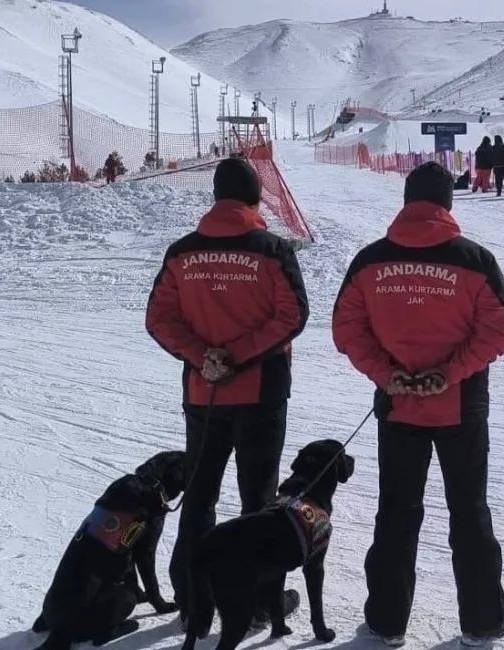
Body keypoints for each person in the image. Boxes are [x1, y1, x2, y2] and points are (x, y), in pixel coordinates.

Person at [331, 161, 504, 648]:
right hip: (461, 405)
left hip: (399, 405)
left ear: (407, 202)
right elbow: (496, 332)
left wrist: (389, 374)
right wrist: (448, 374)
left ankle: (386, 622)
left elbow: (348, 330)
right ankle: (482, 621)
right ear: (447, 204)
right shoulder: (475, 260)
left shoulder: (371, 261)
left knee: (396, 510)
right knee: (468, 509)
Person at [144, 157, 310, 630]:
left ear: (216, 198)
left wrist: (204, 356)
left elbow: (159, 319)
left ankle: (192, 598)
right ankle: (260, 603)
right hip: (260, 394)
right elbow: (293, 315)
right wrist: (238, 355)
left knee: (199, 497)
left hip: (204, 393)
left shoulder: (182, 253)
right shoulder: (272, 249)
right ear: (257, 199)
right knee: (257, 501)